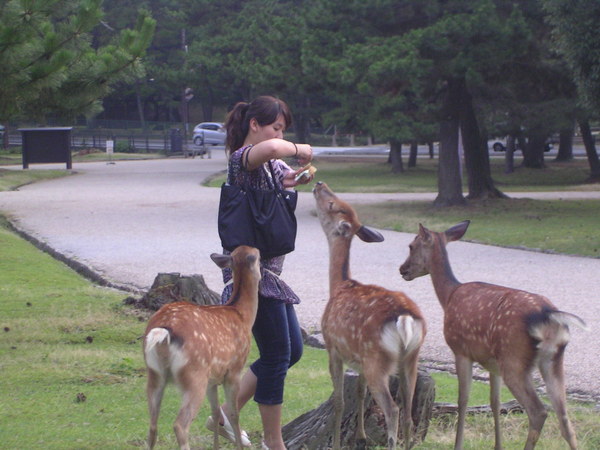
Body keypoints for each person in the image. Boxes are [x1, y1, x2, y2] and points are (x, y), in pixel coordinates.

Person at [207, 95, 314, 450]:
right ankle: (275, 442)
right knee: (277, 354)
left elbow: (277, 171)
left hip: (271, 277)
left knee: (292, 350)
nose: (281, 136)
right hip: (250, 278)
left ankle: (223, 414)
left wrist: (295, 178)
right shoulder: (242, 159)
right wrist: (299, 147)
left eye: (284, 129)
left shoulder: (270, 168)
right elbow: (268, 150)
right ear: (255, 125)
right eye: (276, 127)